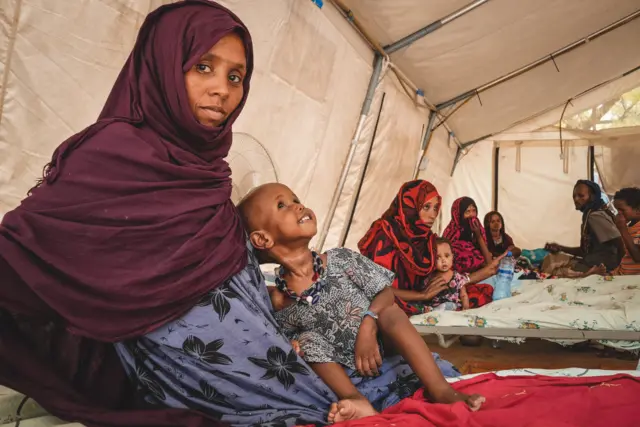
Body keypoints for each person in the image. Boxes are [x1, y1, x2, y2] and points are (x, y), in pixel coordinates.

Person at [0, 2, 346, 426]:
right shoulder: (110, 154)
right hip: (172, 377)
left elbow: (233, 283)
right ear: (163, 64)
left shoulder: (211, 173)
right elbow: (26, 248)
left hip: (260, 363)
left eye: (235, 77)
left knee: (337, 407)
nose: (222, 89)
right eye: (203, 67)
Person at [238, 183, 485, 424]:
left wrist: (369, 321)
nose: (298, 206)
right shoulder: (278, 299)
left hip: (380, 349)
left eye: (295, 199)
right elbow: (280, 341)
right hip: (345, 372)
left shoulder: (340, 259)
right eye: (282, 205)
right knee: (307, 339)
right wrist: (293, 345)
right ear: (262, 239)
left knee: (389, 312)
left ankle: (441, 390)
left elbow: (386, 293)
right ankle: (356, 401)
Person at [358, 181, 496, 316]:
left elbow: (441, 277)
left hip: (423, 298)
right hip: (388, 302)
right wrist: (422, 295)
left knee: (479, 297)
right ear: (410, 206)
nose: (433, 215)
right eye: (426, 207)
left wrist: (487, 271)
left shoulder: (426, 238)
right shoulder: (386, 234)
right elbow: (379, 289)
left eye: (435, 208)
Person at [543, 180, 622, 277]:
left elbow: (619, 242)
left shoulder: (595, 216)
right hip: (593, 262)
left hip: (601, 267)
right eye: (574, 196)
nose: (576, 199)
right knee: (552, 259)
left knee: (553, 269)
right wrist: (560, 248)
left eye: (581, 196)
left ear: (592, 197)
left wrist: (620, 270)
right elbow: (585, 252)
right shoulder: (591, 213)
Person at [425, 238, 505, 312]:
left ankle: (437, 310)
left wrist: (465, 308)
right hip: (434, 305)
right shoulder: (430, 277)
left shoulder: (457, 277)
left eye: (447, 256)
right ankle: (433, 310)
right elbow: (426, 294)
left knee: (451, 305)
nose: (443, 261)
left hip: (451, 306)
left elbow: (463, 295)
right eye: (437, 258)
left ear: (452, 256)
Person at [443, 197, 493, 274]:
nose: (472, 215)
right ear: (458, 215)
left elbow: (488, 262)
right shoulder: (451, 235)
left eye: (474, 211)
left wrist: (478, 235)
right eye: (467, 211)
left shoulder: (477, 232)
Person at [611, 187, 640, 276]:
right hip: (622, 273)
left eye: (622, 210)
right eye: (617, 210)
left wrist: (623, 229)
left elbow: (637, 257)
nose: (618, 214)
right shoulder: (630, 227)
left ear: (638, 210)